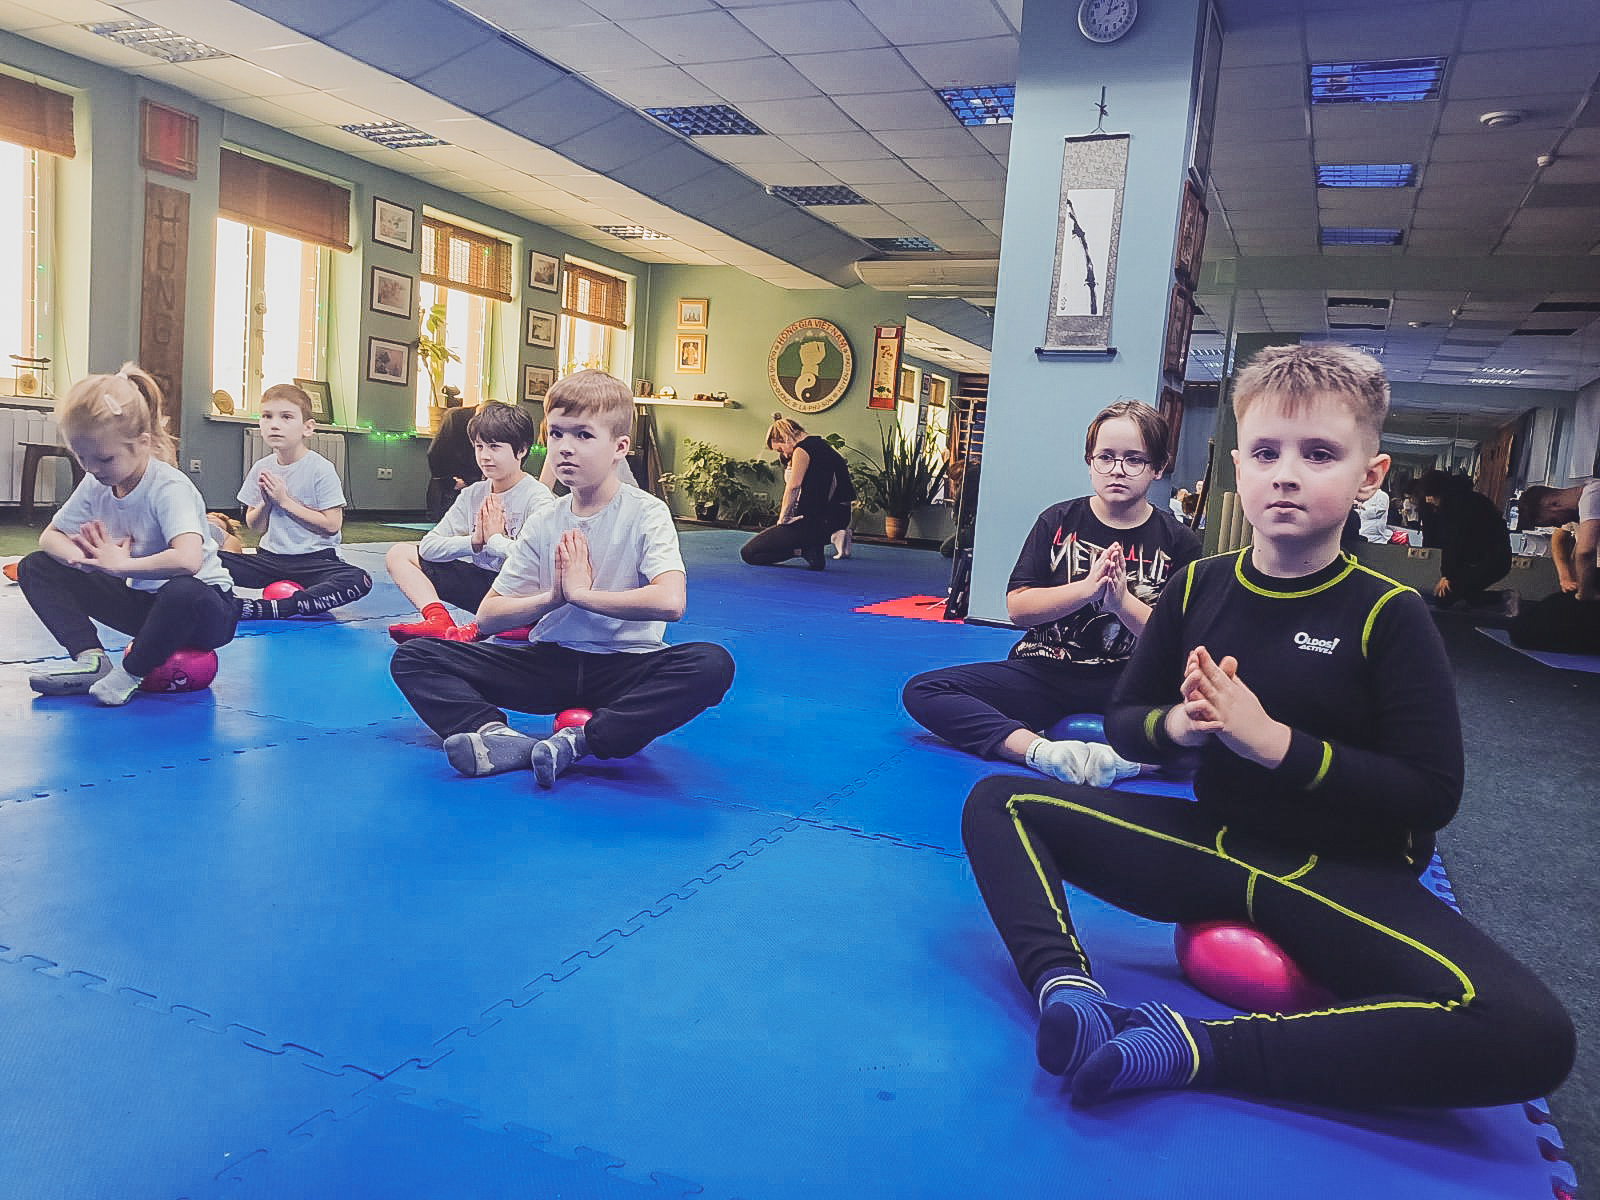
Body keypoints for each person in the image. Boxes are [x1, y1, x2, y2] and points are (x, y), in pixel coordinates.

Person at [960, 343, 1573, 1112]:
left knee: (1531, 1034)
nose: (1286, 473)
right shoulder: (1198, 587)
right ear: (1238, 469)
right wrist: (1181, 725)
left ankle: (1192, 1048)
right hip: (1214, 845)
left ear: (1369, 477)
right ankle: (1069, 990)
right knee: (999, 803)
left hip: (1339, 875)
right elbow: (1126, 724)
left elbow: (1430, 793)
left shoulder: (1391, 613)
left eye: (1319, 454)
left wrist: (1274, 744)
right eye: (1265, 452)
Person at [390, 369, 735, 788]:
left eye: (583, 435)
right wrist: (553, 597)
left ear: (619, 447)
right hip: (549, 663)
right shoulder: (546, 520)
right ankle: (497, 737)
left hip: (625, 667)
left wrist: (583, 595)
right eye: (556, 434)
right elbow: (489, 616)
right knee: (415, 657)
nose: (565, 447)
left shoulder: (646, 512)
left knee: (711, 664)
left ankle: (582, 740)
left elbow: (670, 602)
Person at [903, 400, 1201, 785]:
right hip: (1045, 672)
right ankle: (1042, 752)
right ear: (1090, 461)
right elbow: (1018, 608)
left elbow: (1179, 643)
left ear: (1158, 467)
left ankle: (1120, 763)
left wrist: (1122, 603)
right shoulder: (1058, 521)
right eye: (1105, 457)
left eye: (1134, 460)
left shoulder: (1178, 541)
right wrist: (1087, 590)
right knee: (924, 690)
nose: (1117, 470)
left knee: (1205, 723)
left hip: (1128, 680)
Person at [17, 363, 238, 706]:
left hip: (205, 612)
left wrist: (120, 566)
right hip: (147, 608)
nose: (92, 469)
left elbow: (188, 560)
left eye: (104, 459)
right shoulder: (96, 481)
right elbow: (50, 537)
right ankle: (91, 659)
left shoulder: (169, 487)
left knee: (182, 589)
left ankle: (130, 674)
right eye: (82, 457)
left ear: (142, 444)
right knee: (36, 566)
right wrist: (81, 559)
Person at [387, 402, 553, 644]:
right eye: (479, 446)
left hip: (521, 594)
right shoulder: (472, 495)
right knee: (400, 554)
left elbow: (537, 559)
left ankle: (520, 623)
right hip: (484, 588)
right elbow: (429, 547)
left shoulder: (537, 498)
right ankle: (438, 619)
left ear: (521, 450)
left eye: (494, 447)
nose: (485, 456)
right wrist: (474, 542)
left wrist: (495, 540)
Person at [222, 383, 373, 619]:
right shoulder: (262, 467)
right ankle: (223, 603)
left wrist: (285, 501)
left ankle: (275, 608)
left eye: (286, 417)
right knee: (203, 559)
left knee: (359, 580)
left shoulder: (321, 468)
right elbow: (256, 526)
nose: (274, 424)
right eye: (267, 416)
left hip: (315, 561)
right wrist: (266, 503)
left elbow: (332, 525)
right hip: (270, 559)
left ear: (307, 427)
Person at [740, 414, 855, 571]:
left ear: (785, 438)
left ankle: (800, 549)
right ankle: (810, 546)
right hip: (839, 520)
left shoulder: (801, 450)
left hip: (814, 523)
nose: (784, 455)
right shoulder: (824, 446)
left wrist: (783, 519)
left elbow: (793, 487)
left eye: (780, 449)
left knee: (749, 553)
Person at [1506, 480, 1600, 653]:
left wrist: (1585, 593)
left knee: (1532, 631)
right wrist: (1565, 576)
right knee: (1522, 628)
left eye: (1554, 520)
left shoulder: (1593, 496)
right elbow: (1558, 538)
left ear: (1553, 504)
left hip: (1593, 584)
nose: (1557, 525)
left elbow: (1585, 552)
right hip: (1593, 579)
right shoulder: (1574, 505)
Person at [1417, 469, 1512, 608]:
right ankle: (1502, 598)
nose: (1428, 500)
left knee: (1445, 597)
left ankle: (1505, 598)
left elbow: (1452, 542)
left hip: (1491, 558)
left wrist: (1447, 575)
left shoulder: (1455, 507)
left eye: (1430, 496)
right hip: (1492, 557)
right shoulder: (1466, 500)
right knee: (1452, 595)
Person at [426, 395, 482, 519]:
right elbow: (435, 453)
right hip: (452, 484)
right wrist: (449, 482)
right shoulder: (455, 417)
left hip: (472, 482)